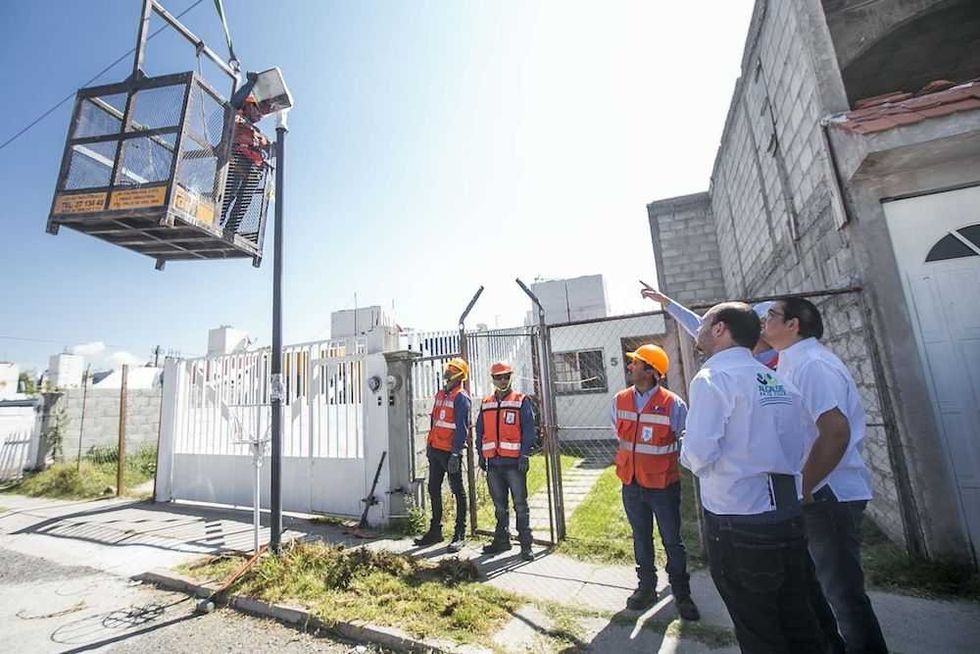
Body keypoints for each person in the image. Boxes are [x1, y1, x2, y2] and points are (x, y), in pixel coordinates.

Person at [681, 301, 826, 653]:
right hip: (787, 515)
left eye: (704, 323)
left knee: (758, 628)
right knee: (799, 620)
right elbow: (805, 443)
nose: (698, 330)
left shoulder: (712, 379)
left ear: (720, 329)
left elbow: (698, 455)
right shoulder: (778, 380)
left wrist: (686, 447)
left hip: (738, 520)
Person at [763, 297, 888, 654]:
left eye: (772, 315)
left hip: (827, 494)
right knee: (817, 591)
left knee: (843, 595)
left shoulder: (813, 365)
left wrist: (804, 487)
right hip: (816, 493)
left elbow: (834, 432)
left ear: (793, 325)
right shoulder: (790, 361)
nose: (764, 320)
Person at [611, 343, 699, 620]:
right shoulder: (619, 400)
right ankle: (646, 588)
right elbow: (620, 436)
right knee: (641, 537)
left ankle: (682, 594)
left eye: (636, 363)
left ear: (651, 371)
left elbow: (685, 440)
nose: (630, 366)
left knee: (672, 540)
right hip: (632, 483)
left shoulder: (673, 404)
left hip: (663, 486)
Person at [476, 361, 536, 561]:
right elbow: (480, 430)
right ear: (492, 379)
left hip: (514, 464)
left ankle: (526, 545)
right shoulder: (486, 402)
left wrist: (524, 455)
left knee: (520, 505)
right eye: (498, 377)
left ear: (511, 377)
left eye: (506, 376)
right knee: (500, 506)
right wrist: (480, 454)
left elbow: (529, 430)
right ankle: (502, 540)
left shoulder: (521, 400)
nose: (502, 380)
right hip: (493, 463)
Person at [640, 285, 779, 369]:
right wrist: (666, 302)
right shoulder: (739, 357)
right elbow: (699, 327)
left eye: (768, 319)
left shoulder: (784, 361)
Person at [414, 357, 471, 552]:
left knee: (458, 491)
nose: (448, 374)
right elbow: (435, 420)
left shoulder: (461, 397)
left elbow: (462, 429)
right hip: (436, 449)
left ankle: (460, 534)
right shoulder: (440, 394)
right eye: (449, 369)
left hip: (450, 452)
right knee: (433, 488)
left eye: (452, 371)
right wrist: (430, 445)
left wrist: (456, 453)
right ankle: (435, 530)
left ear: (460, 376)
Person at [222, 82, 270, 233]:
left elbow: (269, 150)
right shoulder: (236, 115)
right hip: (238, 160)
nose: (260, 116)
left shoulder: (258, 132)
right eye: (258, 111)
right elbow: (234, 102)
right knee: (229, 193)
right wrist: (251, 83)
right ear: (249, 105)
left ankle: (231, 230)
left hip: (254, 168)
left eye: (262, 115)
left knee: (244, 201)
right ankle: (217, 220)